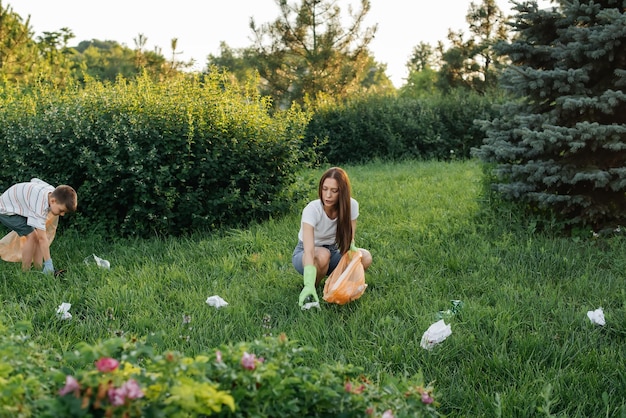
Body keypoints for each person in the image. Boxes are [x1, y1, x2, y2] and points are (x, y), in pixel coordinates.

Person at [292, 167, 372, 306]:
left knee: (364, 256)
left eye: (334, 191)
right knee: (322, 255)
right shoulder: (312, 209)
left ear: (342, 192)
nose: (328, 195)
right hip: (306, 254)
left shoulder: (351, 205)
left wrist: (352, 258)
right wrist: (308, 283)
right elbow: (309, 250)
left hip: (333, 251)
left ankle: (336, 287)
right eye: (324, 189)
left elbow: (349, 241)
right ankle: (312, 287)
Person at [0, 178, 77, 273]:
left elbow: (34, 180)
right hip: (6, 210)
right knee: (32, 237)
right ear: (52, 201)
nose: (62, 214)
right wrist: (49, 262)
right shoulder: (40, 206)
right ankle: (26, 272)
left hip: (16, 204)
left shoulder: (51, 191)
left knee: (36, 236)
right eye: (61, 210)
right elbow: (42, 239)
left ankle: (38, 268)